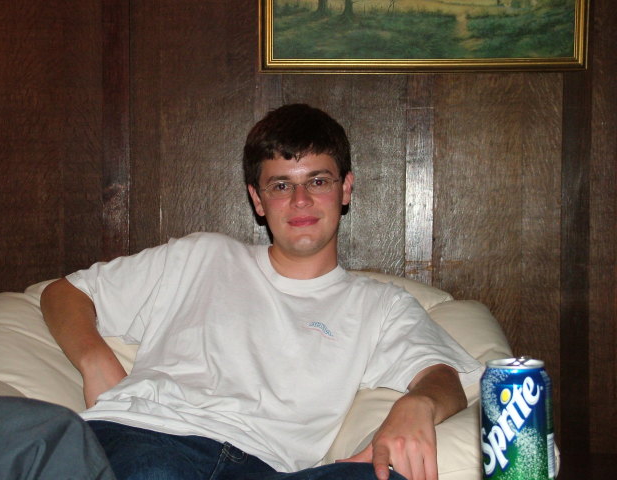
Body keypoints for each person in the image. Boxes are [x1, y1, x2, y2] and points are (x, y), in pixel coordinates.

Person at [40, 104, 482, 480]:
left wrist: (419, 403)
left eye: (318, 181)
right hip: (149, 437)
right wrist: (95, 360)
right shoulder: (202, 255)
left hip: (265, 467)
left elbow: (445, 377)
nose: (301, 200)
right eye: (281, 185)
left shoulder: (379, 304)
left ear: (345, 188)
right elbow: (65, 294)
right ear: (257, 199)